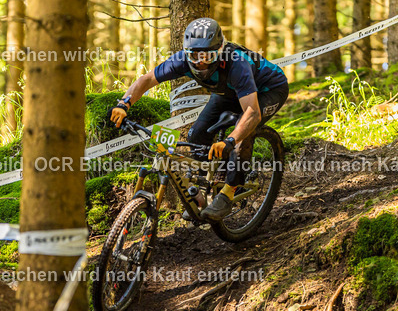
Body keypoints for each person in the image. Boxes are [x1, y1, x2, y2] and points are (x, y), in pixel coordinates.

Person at [109, 17, 289, 221]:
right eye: (194, 55)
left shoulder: (236, 63)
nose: (200, 61)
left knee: (242, 132)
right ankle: (202, 191)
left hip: (269, 90)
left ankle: (229, 192)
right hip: (228, 94)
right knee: (197, 134)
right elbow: (148, 79)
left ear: (220, 50)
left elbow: (253, 112)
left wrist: (230, 141)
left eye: (207, 55)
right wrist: (124, 104)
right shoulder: (183, 60)